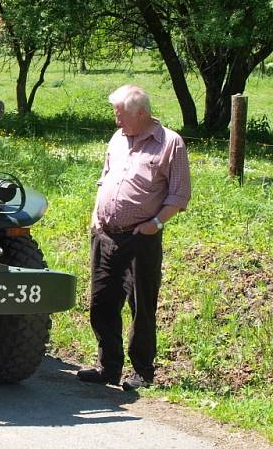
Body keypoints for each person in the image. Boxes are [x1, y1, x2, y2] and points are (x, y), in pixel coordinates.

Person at [77, 85, 191, 391]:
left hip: (141, 237)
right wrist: (94, 216)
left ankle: (142, 371)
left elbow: (179, 194)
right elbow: (104, 178)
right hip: (105, 234)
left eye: (121, 115)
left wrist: (155, 223)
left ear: (141, 113)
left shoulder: (170, 143)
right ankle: (108, 367)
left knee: (141, 306)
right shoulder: (117, 138)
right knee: (101, 303)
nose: (117, 121)